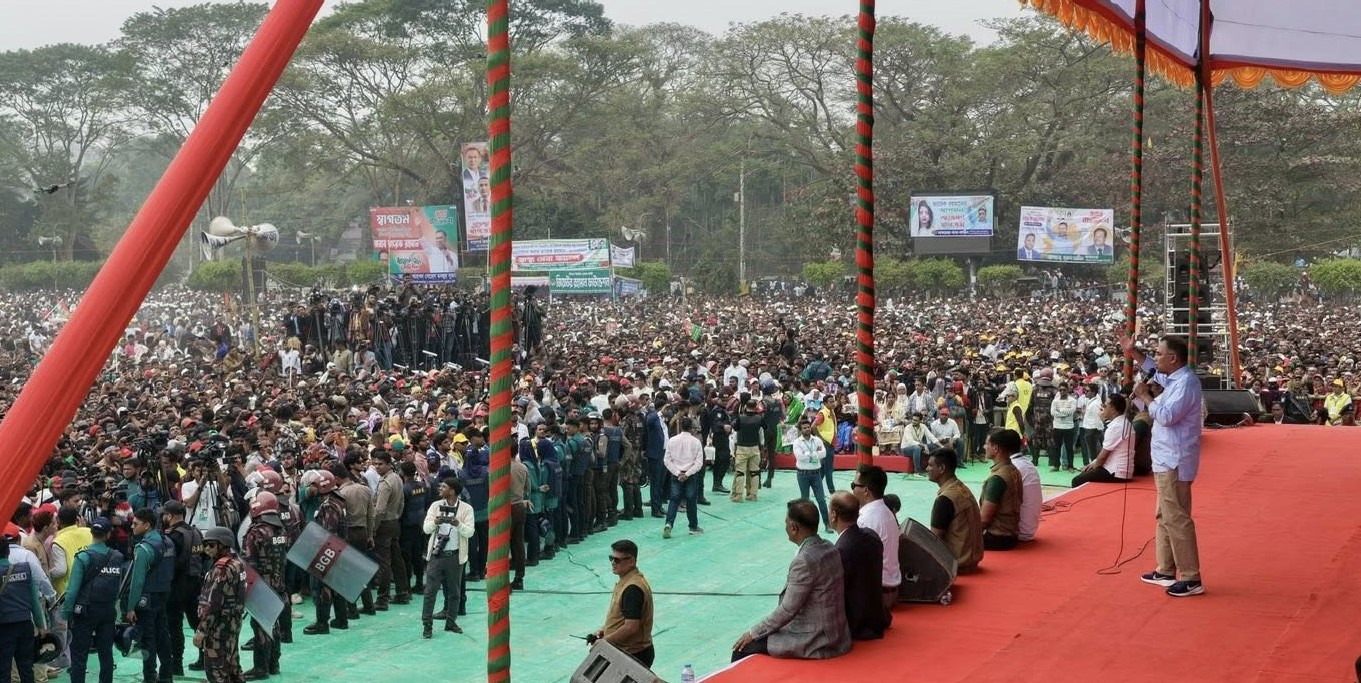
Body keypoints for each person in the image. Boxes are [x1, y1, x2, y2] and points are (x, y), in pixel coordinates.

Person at [1124, 333, 1205, 598]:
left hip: (1175, 458)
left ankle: (1191, 577)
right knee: (1164, 515)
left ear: (1173, 358)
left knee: (1177, 517)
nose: (1155, 357)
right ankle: (1166, 569)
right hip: (1165, 458)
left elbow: (1168, 417)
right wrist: (1133, 352)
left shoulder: (1186, 384)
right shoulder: (1173, 379)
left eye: (1159, 353)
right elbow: (1151, 369)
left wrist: (1146, 397)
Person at [731, 500, 851, 662]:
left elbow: (787, 610)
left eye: (786, 523)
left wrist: (753, 633)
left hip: (816, 641)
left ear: (794, 528)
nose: (785, 527)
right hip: (837, 634)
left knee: (742, 649)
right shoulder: (829, 547)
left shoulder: (804, 561)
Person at [63, 517, 121, 683]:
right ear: (108, 534)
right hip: (108, 610)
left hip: (85, 611)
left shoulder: (83, 557)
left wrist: (66, 613)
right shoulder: (117, 556)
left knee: (79, 655)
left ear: (91, 532)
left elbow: (72, 590)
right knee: (106, 653)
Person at [122, 508, 175, 683]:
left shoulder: (143, 548)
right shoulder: (168, 542)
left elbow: (137, 582)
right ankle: (167, 675)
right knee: (163, 636)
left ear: (147, 525)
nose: (132, 526)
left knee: (148, 640)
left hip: (147, 599)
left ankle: (150, 677)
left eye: (136, 524)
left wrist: (130, 607)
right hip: (164, 594)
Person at [827, 493, 889, 640]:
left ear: (834, 515)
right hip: (877, 618)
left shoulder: (841, 550)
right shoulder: (872, 536)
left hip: (855, 625)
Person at [241, 492, 287, 681]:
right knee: (274, 623)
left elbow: (249, 562)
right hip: (278, 583)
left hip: (261, 585)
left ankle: (261, 667)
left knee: (260, 625)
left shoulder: (256, 532)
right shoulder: (281, 530)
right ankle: (274, 664)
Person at [421, 477, 473, 639]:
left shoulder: (466, 509)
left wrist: (457, 524)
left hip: (455, 556)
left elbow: (470, 532)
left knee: (455, 592)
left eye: (443, 486)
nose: (440, 488)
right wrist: (436, 521)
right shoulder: (435, 506)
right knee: (430, 592)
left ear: (452, 490)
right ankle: (427, 625)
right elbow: (426, 529)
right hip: (437, 555)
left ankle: (451, 622)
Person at [590, 540, 654, 668]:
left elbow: (631, 627)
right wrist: (604, 630)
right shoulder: (628, 581)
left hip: (633, 654)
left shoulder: (632, 588)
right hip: (627, 652)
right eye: (611, 558)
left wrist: (604, 641)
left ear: (631, 561)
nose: (613, 563)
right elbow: (622, 617)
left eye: (617, 560)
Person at [195, 527, 246, 683]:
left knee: (216, 671)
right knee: (233, 668)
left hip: (218, 627)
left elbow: (213, 603)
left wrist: (202, 630)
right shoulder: (237, 562)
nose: (207, 549)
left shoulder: (221, 568)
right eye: (206, 545)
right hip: (233, 623)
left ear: (223, 544)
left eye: (211, 545)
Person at [161, 501, 205, 676]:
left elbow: (169, 563)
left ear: (170, 516)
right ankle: (204, 658)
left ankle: (176, 664)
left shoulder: (173, 536)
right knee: (197, 623)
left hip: (177, 585)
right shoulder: (196, 532)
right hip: (195, 582)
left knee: (174, 625)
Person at [0, 524, 48, 683]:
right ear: (8, 552)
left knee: (3, 670)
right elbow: (34, 600)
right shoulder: (24, 569)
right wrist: (41, 626)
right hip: (25, 625)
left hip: (4, 627)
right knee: (27, 668)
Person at [851, 465, 900, 614]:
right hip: (890, 591)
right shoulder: (886, 512)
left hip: (877, 597)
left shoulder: (865, 520)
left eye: (854, 485)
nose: (852, 489)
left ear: (866, 490)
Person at [925, 449, 984, 571]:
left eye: (930, 465)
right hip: (971, 559)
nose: (927, 468)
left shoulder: (945, 499)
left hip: (956, 564)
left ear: (941, 468)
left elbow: (934, 540)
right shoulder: (962, 488)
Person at [371, 451, 410, 609]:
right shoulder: (397, 478)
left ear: (388, 464)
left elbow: (379, 510)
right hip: (394, 521)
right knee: (396, 559)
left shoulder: (386, 483)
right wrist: (396, 516)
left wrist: (373, 528)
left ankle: (382, 598)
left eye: (380, 464)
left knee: (384, 562)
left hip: (384, 523)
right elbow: (401, 503)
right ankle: (402, 592)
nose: (377, 466)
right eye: (375, 463)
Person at [1071, 394, 1135, 487]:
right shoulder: (1122, 422)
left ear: (1112, 409)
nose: (1102, 408)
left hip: (1116, 471)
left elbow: (1102, 457)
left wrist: (1091, 467)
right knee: (1087, 471)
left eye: (1105, 406)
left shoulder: (1116, 426)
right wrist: (1092, 465)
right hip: (1120, 469)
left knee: (1077, 480)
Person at [980, 429, 1024, 550]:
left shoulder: (998, 478)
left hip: (997, 537)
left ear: (995, 448)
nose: (984, 447)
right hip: (1011, 534)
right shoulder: (1014, 470)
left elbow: (984, 520)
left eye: (987, 443)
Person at [661, 417, 704, 539]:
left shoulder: (672, 440)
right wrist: (687, 473)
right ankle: (693, 527)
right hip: (690, 475)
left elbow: (667, 460)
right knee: (691, 500)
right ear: (691, 428)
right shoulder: (696, 442)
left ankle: (669, 523)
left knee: (674, 500)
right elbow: (699, 463)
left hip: (676, 475)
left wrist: (677, 472)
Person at [790, 420, 830, 527]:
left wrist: (808, 454)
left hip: (816, 474)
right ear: (800, 430)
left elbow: (824, 453)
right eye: (804, 428)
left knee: (821, 500)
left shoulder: (817, 440)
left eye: (808, 427)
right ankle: (806, 526)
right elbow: (799, 457)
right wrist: (815, 454)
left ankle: (827, 524)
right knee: (805, 501)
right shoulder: (797, 442)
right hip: (803, 474)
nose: (807, 429)